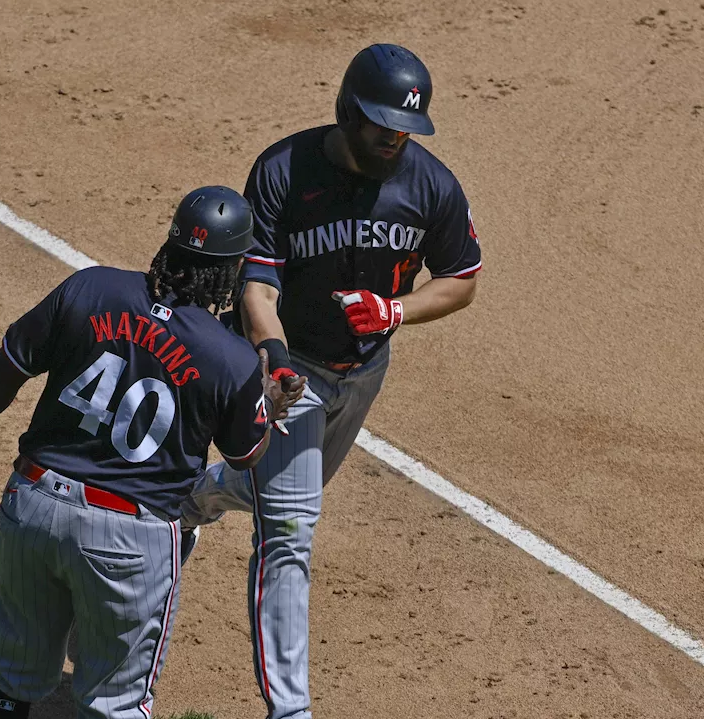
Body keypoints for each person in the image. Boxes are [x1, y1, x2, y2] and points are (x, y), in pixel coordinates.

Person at [180, 44, 483, 719]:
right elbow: (256, 282)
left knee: (279, 493)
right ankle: (291, 710)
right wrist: (276, 356)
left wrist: (397, 310)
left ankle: (190, 503)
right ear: (348, 113)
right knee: (289, 530)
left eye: (404, 128)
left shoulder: (430, 186)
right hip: (291, 372)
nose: (393, 138)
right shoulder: (285, 171)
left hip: (364, 370)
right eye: (381, 125)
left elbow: (461, 279)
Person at [0, 185, 306, 719]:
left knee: (10, 676)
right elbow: (245, 455)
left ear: (171, 243)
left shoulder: (90, 289)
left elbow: (9, 365)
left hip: (34, 505)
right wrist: (267, 404)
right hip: (128, 538)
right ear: (230, 272)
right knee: (117, 704)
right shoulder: (228, 357)